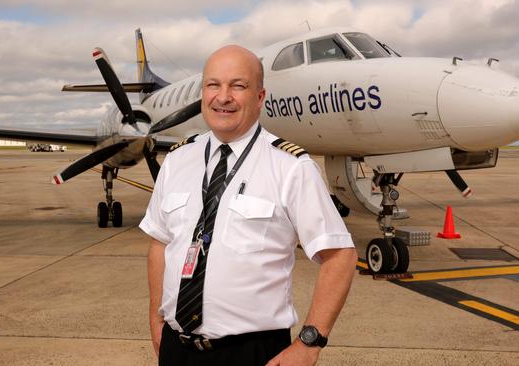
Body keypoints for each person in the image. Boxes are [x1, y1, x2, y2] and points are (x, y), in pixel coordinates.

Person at [140, 44, 357, 366]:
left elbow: (340, 255)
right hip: (176, 349)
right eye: (213, 85)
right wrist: (156, 319)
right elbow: (160, 243)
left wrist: (311, 342)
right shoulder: (177, 160)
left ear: (260, 97)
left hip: (253, 353)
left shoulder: (291, 167)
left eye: (238, 86)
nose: (223, 97)